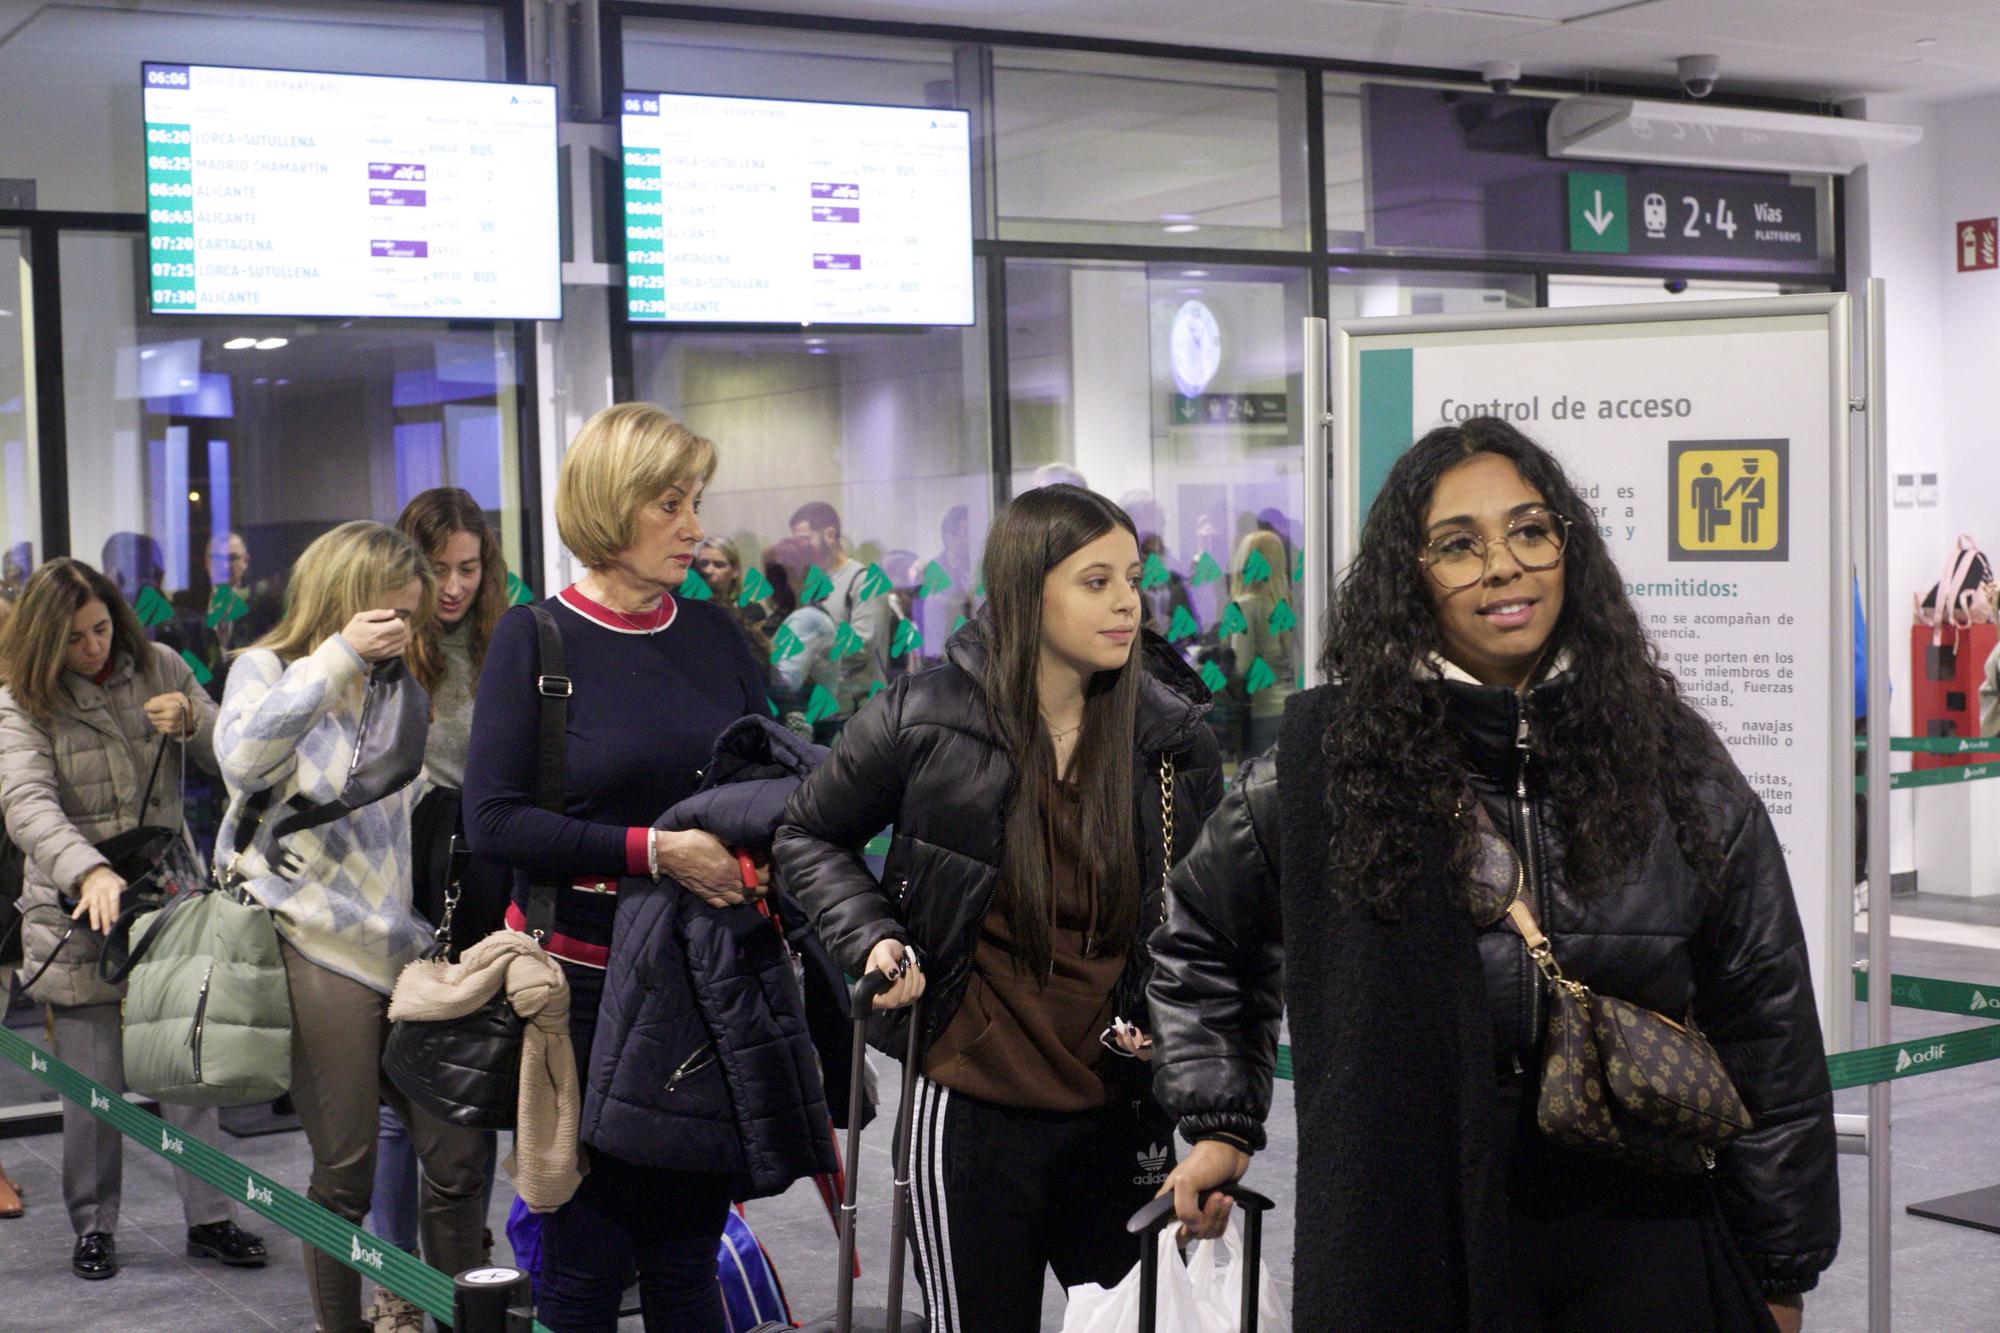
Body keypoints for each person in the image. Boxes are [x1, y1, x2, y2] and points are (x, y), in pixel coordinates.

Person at [1147, 417, 1839, 1332]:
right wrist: (1223, 1118)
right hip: (1416, 1232)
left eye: (1529, 530)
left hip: (1643, 1226)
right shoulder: (1331, 761)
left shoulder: (1672, 758)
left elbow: (1768, 1018)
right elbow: (1198, 929)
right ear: (1410, 577)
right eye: (1457, 546)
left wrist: (1779, 1267)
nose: (1503, 565)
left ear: (1568, 548)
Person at [774, 484, 1224, 1332]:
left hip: (1120, 1108)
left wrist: (1207, 1108)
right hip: (970, 1112)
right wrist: (872, 936)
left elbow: (1211, 928)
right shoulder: (926, 714)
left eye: (1134, 576)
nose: (1129, 600)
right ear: (1028, 588)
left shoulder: (1173, 739)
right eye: (1097, 581)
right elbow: (806, 832)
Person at [464, 403, 771, 1332]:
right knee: (587, 1262)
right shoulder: (536, 637)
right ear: (608, 506)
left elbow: (766, 779)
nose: (693, 524)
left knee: (687, 1255)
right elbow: (493, 821)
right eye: (669, 502)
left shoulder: (719, 635)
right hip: (584, 991)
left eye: (696, 500)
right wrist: (655, 850)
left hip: (701, 980)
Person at [214, 521, 489, 1333]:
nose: (408, 625)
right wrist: (333, 655)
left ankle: (454, 1317)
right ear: (347, 599)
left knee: (459, 1156)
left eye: (412, 614)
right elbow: (241, 762)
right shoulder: (268, 667)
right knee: (345, 1171)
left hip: (400, 942)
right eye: (394, 610)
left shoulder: (398, 680)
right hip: (311, 938)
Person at [0, 558, 265, 1280]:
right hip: (75, 911)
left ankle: (211, 1218)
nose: (93, 647)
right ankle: (93, 1227)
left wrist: (193, 722)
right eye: (74, 639)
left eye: (101, 627)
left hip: (167, 903)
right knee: (91, 1094)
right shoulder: (22, 700)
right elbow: (26, 802)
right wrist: (86, 867)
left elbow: (233, 755)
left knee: (190, 1072)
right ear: (42, 644)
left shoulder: (163, 665)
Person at [364, 488, 511, 1333]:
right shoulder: (383, 641)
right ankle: (394, 1280)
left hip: (479, 879)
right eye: (439, 569)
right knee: (392, 1099)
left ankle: (468, 1263)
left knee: (469, 1085)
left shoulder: (507, 639)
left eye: (469, 567)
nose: (453, 587)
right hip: (392, 883)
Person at [788, 500, 893, 728]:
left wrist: (807, 654)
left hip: (860, 714)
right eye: (797, 542)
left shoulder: (866, 580)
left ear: (829, 534)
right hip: (826, 712)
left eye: (806, 540)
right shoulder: (812, 581)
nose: (801, 548)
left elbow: (861, 646)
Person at [1225, 528, 1297, 758]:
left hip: (1261, 712)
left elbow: (1242, 666)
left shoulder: (1245, 605)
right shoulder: (1284, 604)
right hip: (1289, 708)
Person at [695, 535, 772, 662]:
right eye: (703, 564)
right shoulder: (687, 608)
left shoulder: (751, 611)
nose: (709, 570)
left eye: (718, 565)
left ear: (735, 570)